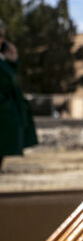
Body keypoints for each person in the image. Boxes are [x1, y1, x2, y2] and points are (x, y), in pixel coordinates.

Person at [0, 22, 38, 171]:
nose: (2, 40)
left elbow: (12, 80)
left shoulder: (3, 60)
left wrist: (13, 61)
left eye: (2, 36)